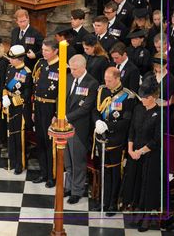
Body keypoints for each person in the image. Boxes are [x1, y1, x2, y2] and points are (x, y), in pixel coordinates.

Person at [92, 67, 136, 216]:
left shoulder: (128, 96)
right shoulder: (102, 90)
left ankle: (113, 203)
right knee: (103, 170)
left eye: (109, 80)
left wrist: (107, 126)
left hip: (116, 140)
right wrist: (98, 121)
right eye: (105, 79)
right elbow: (95, 110)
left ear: (117, 79)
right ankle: (103, 201)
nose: (106, 82)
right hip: (100, 137)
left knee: (114, 172)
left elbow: (126, 122)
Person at [119, 76, 161, 232]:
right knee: (135, 183)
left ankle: (147, 218)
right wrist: (130, 149)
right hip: (134, 152)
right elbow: (131, 131)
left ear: (152, 98)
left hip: (150, 155)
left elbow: (156, 140)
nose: (141, 99)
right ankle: (137, 210)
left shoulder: (160, 114)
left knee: (147, 186)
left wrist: (139, 152)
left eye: (144, 97)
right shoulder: (138, 108)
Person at [64, 55, 99, 204]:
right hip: (64, 126)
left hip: (79, 127)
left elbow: (85, 108)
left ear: (83, 67)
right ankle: (69, 186)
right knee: (68, 159)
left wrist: (66, 117)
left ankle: (77, 190)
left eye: (75, 69)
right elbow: (62, 100)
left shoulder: (91, 83)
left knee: (78, 160)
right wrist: (57, 116)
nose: (72, 71)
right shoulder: (69, 78)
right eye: (70, 68)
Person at [32, 39, 59, 188]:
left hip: (51, 109)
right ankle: (43, 172)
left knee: (50, 143)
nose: (43, 52)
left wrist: (57, 113)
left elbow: (62, 94)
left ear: (55, 51)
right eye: (42, 49)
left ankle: (52, 175)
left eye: (47, 50)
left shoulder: (62, 68)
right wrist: (34, 110)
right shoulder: (41, 64)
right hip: (39, 106)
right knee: (40, 141)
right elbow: (36, 87)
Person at [2, 45, 33, 174]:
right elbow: (5, 85)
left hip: (20, 108)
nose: (10, 60)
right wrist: (4, 97)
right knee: (11, 135)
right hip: (8, 105)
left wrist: (13, 101)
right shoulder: (10, 68)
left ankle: (20, 163)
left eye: (12, 58)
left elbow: (27, 95)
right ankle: (12, 160)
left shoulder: (27, 72)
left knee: (19, 137)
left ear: (19, 59)